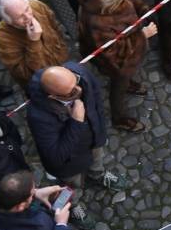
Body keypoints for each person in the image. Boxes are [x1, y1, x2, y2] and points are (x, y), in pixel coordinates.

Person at [24, 60, 130, 193]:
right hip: (71, 162)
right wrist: (76, 121)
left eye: (76, 82)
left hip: (93, 139)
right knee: (71, 186)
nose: (79, 89)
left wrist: (99, 131)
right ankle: (72, 204)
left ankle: (97, 175)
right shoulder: (38, 116)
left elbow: (96, 100)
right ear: (52, 96)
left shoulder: (78, 73)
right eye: (71, 92)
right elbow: (56, 156)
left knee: (97, 163)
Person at [74, 0, 153, 131]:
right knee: (119, 84)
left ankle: (129, 83)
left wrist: (142, 9)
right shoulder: (97, 21)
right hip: (113, 63)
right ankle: (119, 118)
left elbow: (130, 1)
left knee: (125, 78)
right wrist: (142, 35)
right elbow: (114, 54)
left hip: (114, 53)